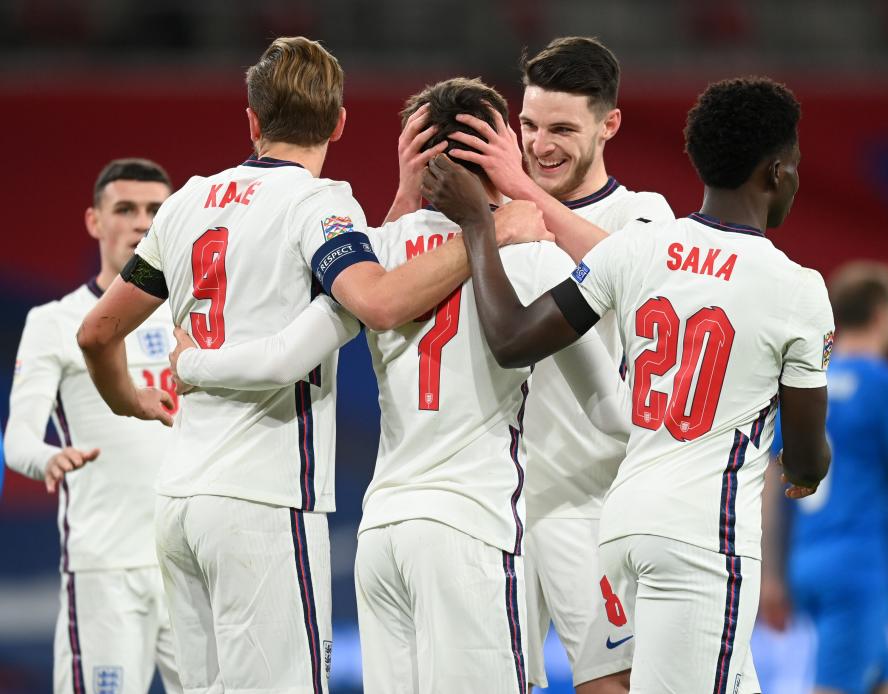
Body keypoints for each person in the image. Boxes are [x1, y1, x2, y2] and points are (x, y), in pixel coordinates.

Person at [76, 39, 545, 693]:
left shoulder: (185, 203)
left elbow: (98, 332)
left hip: (178, 500)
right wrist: (485, 229)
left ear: (252, 120)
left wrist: (127, 397)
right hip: (264, 501)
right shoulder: (319, 204)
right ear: (339, 123)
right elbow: (378, 300)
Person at [165, 77, 630, 694]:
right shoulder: (532, 257)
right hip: (473, 530)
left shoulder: (375, 258)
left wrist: (191, 365)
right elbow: (610, 411)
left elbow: (282, 358)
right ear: (503, 155)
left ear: (420, 158)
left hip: (381, 537)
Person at [423, 76, 834, 693]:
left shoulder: (640, 248)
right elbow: (805, 455)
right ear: (776, 172)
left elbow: (511, 338)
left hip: (623, 524)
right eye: (795, 165)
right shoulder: (797, 288)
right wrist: (806, 472)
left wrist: (480, 227)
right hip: (704, 538)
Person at [385, 40, 674, 693]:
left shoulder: (642, 213)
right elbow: (382, 291)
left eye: (563, 130)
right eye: (530, 126)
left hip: (586, 502)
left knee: (615, 683)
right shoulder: (481, 225)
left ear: (610, 125)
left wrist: (518, 190)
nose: (541, 145)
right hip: (491, 505)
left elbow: (643, 282)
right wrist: (410, 197)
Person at [4, 158, 181, 694]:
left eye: (155, 210)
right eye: (125, 209)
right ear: (94, 222)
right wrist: (48, 458)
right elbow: (17, 439)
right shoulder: (54, 322)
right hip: (105, 566)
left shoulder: (196, 316)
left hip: (192, 560)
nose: (141, 223)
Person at [760, 261, 888, 694]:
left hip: (807, 563)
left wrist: (769, 575)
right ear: (883, 314)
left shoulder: (805, 389)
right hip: (857, 571)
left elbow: (769, 488)